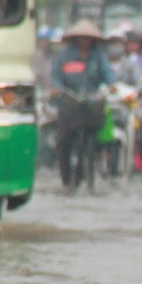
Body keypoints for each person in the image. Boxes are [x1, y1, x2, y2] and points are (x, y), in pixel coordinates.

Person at [50, 19, 113, 191]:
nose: (85, 42)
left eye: (88, 38)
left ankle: (96, 165)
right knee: (64, 141)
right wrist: (56, 88)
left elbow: (108, 74)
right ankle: (66, 180)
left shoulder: (98, 56)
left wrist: (111, 84)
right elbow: (55, 76)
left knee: (98, 134)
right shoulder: (65, 56)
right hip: (69, 104)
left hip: (91, 105)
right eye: (82, 38)